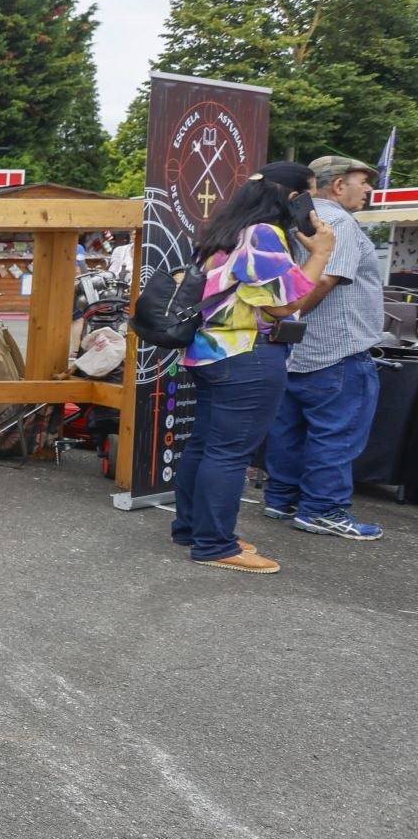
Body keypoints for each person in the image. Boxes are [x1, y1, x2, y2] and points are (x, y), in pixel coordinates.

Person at [172, 161, 334, 572]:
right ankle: (214, 544)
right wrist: (322, 253)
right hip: (247, 355)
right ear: (293, 197)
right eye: (311, 195)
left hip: (210, 353)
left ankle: (193, 529)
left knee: (206, 446)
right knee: (228, 453)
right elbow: (283, 304)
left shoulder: (225, 233)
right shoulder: (263, 234)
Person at [261, 154, 385, 540]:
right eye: (362, 181)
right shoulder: (337, 222)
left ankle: (281, 498)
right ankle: (324, 510)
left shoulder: (299, 217)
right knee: (336, 434)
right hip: (338, 351)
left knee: (291, 430)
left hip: (300, 351)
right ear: (338, 184)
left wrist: (286, 322)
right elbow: (326, 280)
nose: (368, 189)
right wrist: (290, 314)